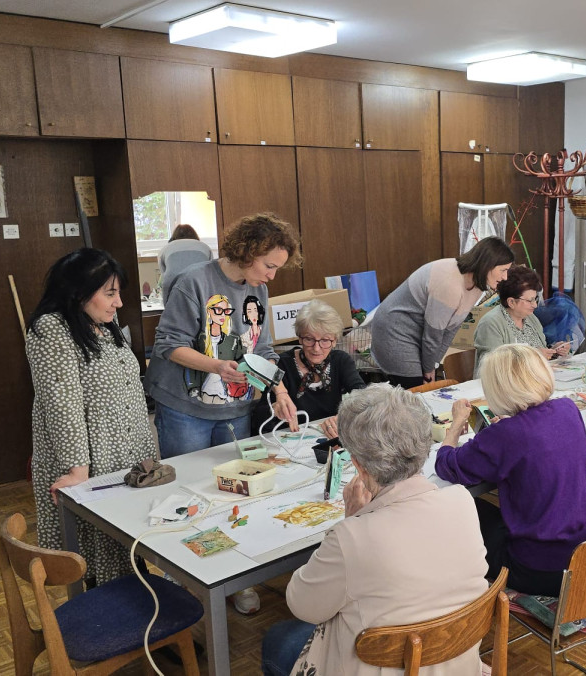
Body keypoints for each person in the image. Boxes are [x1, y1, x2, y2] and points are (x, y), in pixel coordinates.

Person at [261, 385, 489, 676]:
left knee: (279, 639)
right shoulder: (462, 500)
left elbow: (302, 605)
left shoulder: (352, 537)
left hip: (389, 665)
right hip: (456, 664)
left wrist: (351, 520)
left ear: (358, 465)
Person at [147, 212, 301, 614]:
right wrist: (216, 365)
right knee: (188, 494)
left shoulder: (257, 289)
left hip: (234, 407)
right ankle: (181, 580)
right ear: (248, 251)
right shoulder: (194, 282)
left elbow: (262, 350)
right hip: (186, 407)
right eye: (269, 266)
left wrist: (280, 390)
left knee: (234, 494)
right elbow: (168, 345)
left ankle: (230, 577)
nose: (272, 276)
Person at [26, 248, 158, 585]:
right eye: (109, 293)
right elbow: (61, 403)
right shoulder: (51, 330)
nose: (118, 303)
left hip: (124, 457)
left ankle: (146, 623)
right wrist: (77, 470)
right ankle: (119, 631)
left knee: (129, 552)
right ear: (78, 292)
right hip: (89, 461)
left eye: (118, 293)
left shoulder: (102, 322)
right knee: (97, 561)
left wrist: (145, 458)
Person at [435, 344, 586, 596]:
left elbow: (447, 465)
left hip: (538, 568)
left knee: (455, 507)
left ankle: (456, 602)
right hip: (585, 553)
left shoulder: (507, 434)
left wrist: (455, 426)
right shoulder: (567, 408)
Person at [369, 236, 514, 389]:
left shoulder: (478, 283)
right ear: (487, 265)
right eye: (503, 270)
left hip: (420, 331)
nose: (505, 277)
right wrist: (428, 370)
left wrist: (434, 364)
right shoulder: (450, 284)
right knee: (415, 390)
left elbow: (451, 329)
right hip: (394, 329)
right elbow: (433, 336)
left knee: (424, 388)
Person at [258, 299, 365, 439]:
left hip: (329, 437)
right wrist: (274, 409)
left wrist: (344, 417)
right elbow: (260, 414)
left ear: (334, 341)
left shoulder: (341, 361)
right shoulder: (282, 364)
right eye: (309, 339)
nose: (316, 348)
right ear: (300, 338)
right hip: (291, 439)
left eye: (325, 340)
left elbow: (362, 394)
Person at [472, 265, 570, 376]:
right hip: (503, 388)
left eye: (535, 299)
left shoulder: (530, 318)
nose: (535, 305)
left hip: (532, 382)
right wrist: (534, 356)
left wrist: (553, 352)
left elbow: (540, 352)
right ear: (511, 302)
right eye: (530, 300)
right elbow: (494, 368)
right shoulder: (491, 324)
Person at [158, 223, 212, 298]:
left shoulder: (166, 248)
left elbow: (163, 273)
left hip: (172, 285)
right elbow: (210, 270)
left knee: (172, 307)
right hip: (200, 284)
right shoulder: (205, 247)